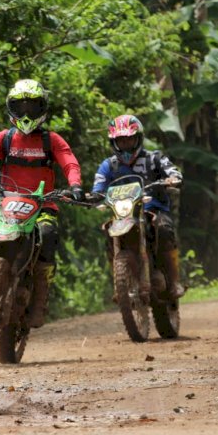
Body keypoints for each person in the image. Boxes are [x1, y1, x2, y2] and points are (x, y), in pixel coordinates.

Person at [0, 79, 84, 328]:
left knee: (48, 234)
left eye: (32, 107)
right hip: (7, 202)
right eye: (21, 107)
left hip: (43, 206)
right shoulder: (2, 139)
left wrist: (76, 185)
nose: (26, 113)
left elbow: (70, 163)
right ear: (11, 108)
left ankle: (40, 297)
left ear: (42, 109)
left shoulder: (52, 140)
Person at [91, 114, 185, 299]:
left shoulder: (154, 158)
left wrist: (172, 179)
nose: (125, 145)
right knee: (108, 232)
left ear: (138, 139)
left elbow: (172, 171)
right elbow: (98, 187)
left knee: (164, 229)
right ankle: (120, 282)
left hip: (153, 209)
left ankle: (173, 281)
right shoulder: (108, 165)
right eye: (121, 141)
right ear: (114, 142)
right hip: (122, 213)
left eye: (129, 140)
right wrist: (93, 196)